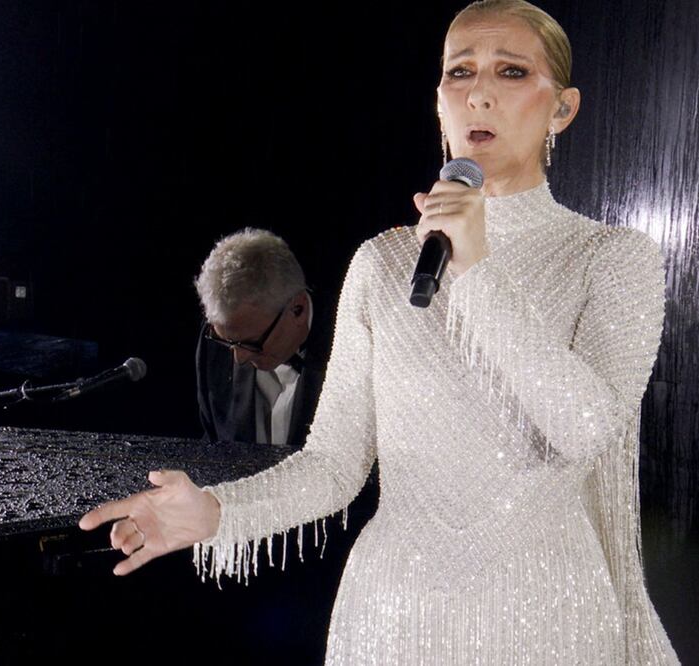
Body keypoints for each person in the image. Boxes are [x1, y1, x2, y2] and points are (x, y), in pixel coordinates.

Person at [80, 1, 680, 663]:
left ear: (560, 109)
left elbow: (586, 428)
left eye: (510, 72)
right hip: (391, 617)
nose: (478, 92)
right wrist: (217, 513)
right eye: (459, 73)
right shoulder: (382, 262)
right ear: (437, 102)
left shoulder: (611, 257)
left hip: (546, 619)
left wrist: (476, 268)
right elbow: (334, 465)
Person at [193, 228, 328, 448]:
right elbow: (215, 451)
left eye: (251, 343)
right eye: (227, 342)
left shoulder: (354, 350)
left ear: (298, 309)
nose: (239, 358)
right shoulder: (216, 344)